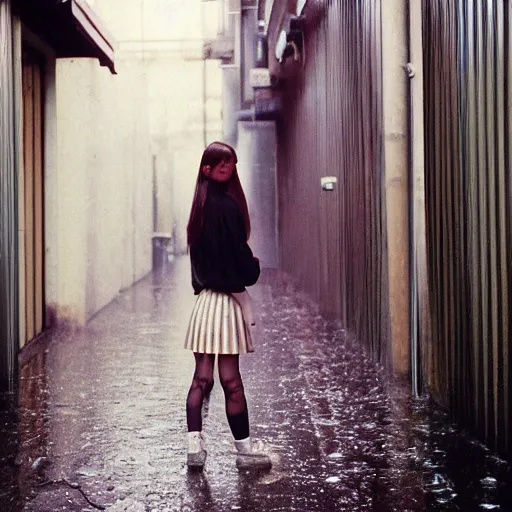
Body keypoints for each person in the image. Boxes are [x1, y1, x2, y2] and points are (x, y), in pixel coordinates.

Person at [184, 141, 271, 471]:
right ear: (208, 169)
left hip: (205, 305)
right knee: (231, 381)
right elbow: (240, 261)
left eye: (231, 165)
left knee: (201, 380)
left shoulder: (200, 208)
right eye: (223, 166)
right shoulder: (229, 207)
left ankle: (194, 449)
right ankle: (244, 450)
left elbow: (198, 264)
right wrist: (254, 267)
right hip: (228, 304)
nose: (229, 170)